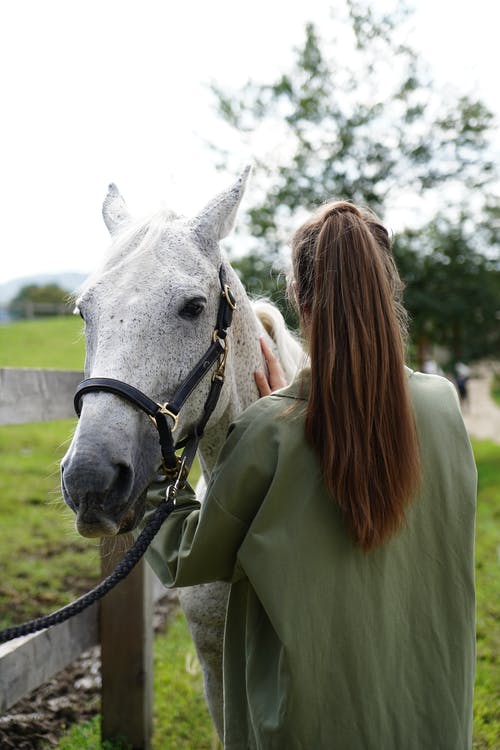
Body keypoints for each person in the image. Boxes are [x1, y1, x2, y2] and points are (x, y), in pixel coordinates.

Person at [142, 202, 477, 749]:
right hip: (429, 722)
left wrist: (159, 468)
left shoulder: (271, 432)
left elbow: (188, 557)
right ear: (389, 286)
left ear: (298, 295)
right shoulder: (443, 407)